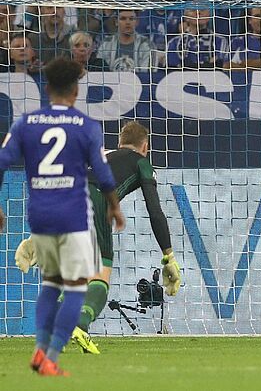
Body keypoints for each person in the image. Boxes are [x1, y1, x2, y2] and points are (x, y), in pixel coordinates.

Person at [1, 57, 126, 375]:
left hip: (40, 215)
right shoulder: (86, 126)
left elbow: (1, 161)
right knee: (76, 287)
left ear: (46, 89)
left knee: (50, 283)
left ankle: (39, 349)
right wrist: (114, 205)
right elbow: (103, 174)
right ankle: (51, 357)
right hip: (73, 215)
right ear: (75, 92)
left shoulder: (25, 123)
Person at [43, 121, 180, 354]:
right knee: (99, 279)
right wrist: (169, 256)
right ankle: (79, 325)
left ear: (119, 143)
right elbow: (155, 210)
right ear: (145, 147)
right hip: (95, 199)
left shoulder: (100, 154)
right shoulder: (141, 162)